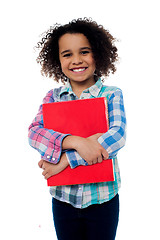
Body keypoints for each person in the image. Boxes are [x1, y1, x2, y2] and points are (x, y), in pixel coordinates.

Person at [28, 18, 126, 240]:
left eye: (84, 52)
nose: (76, 60)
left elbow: (117, 137)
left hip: (103, 200)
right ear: (58, 60)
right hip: (64, 200)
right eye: (67, 54)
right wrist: (77, 141)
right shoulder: (52, 98)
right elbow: (34, 133)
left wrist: (64, 161)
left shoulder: (111, 94)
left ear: (97, 54)